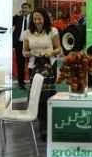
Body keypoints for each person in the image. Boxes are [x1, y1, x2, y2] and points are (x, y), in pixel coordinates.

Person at [23, 9, 62, 139]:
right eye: (35, 19)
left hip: (49, 66)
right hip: (34, 67)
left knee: (48, 96)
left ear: (45, 18)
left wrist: (51, 53)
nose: (37, 21)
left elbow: (58, 49)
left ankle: (48, 124)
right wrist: (31, 53)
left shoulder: (53, 31)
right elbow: (24, 52)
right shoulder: (27, 33)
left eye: (39, 18)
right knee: (37, 96)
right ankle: (42, 123)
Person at [12, 2, 32, 89]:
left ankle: (32, 82)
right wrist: (17, 15)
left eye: (26, 8)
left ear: (30, 9)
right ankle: (21, 83)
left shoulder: (33, 19)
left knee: (31, 63)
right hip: (19, 44)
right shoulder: (18, 18)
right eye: (23, 8)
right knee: (20, 64)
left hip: (31, 45)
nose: (24, 9)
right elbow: (10, 22)